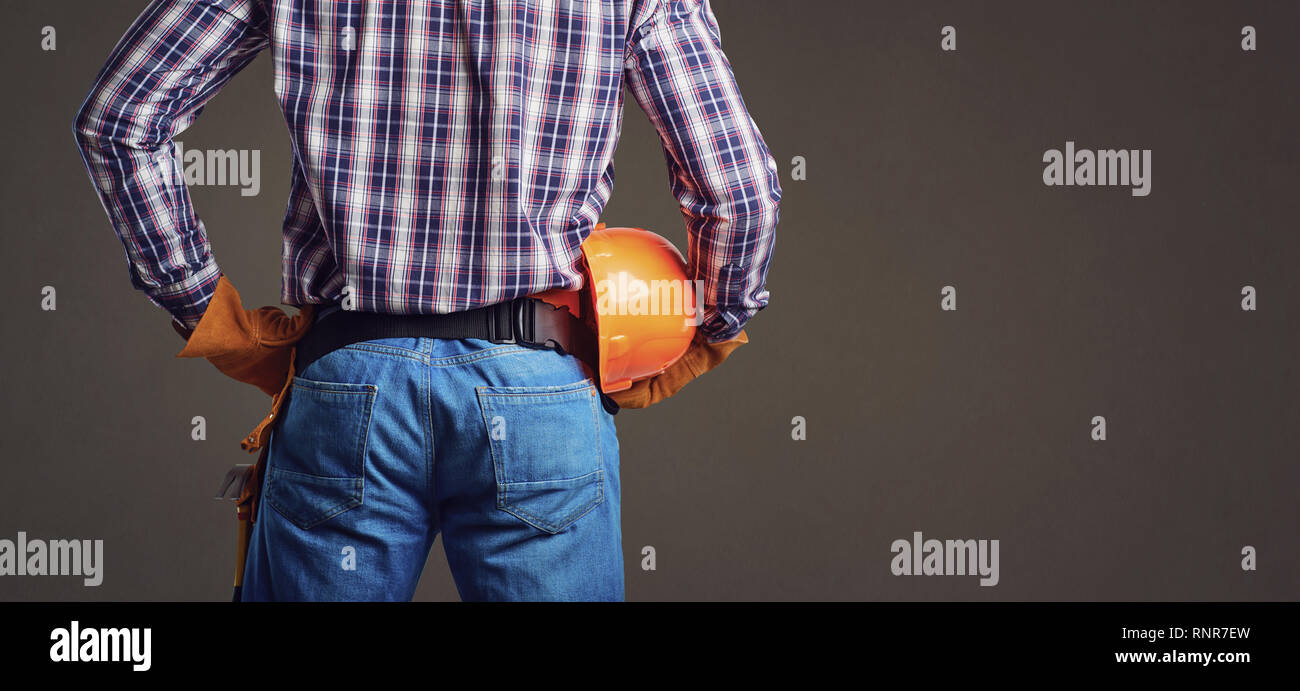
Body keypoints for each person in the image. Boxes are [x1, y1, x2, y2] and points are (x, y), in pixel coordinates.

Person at [73, 0, 780, 602]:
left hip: (348, 386)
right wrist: (710, 328)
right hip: (539, 393)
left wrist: (207, 312)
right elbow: (738, 192)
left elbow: (120, 120)